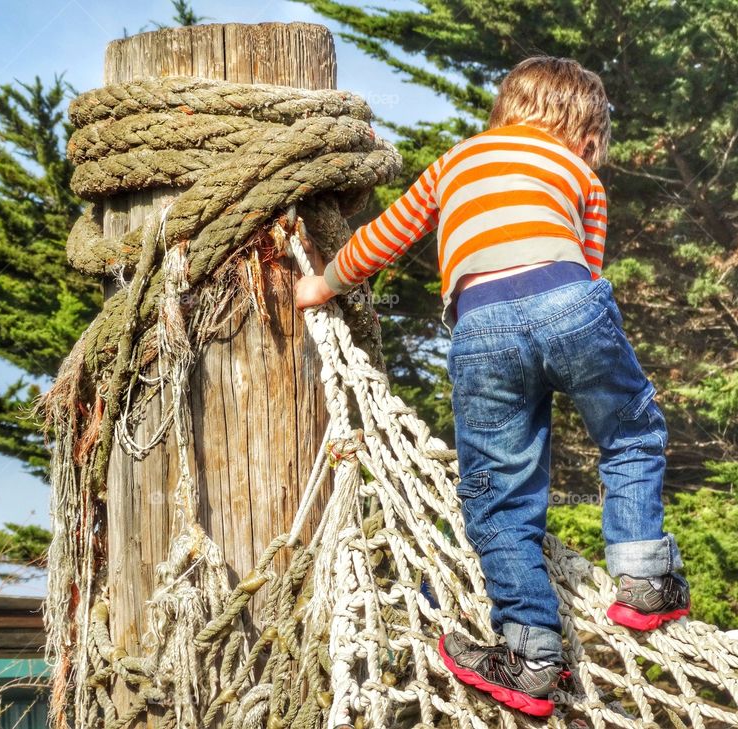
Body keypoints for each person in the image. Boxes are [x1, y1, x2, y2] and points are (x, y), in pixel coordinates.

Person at [293, 55, 690, 718]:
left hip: (479, 332)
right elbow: (586, 273)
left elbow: (387, 237)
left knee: (498, 498)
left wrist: (323, 282)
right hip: (568, 302)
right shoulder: (580, 173)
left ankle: (533, 655)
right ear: (587, 138)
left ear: (506, 112)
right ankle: (644, 578)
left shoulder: (456, 162)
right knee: (630, 432)